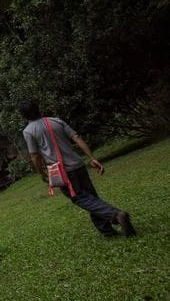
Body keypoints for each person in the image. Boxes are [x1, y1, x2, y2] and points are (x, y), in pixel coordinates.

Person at [18, 100, 136, 237]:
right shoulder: (56, 121)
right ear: (38, 109)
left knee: (80, 198)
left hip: (63, 172)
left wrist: (41, 173)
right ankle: (107, 232)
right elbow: (77, 138)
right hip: (78, 165)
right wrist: (92, 158)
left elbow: (34, 155)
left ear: (24, 116)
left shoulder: (28, 131)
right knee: (91, 198)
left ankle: (115, 214)